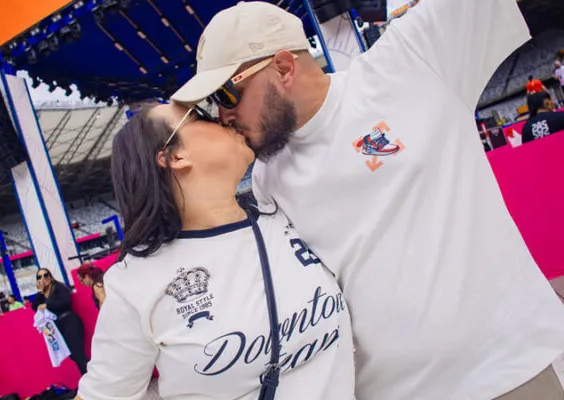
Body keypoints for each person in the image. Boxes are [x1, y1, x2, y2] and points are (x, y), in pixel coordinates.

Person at [171, 1, 564, 399]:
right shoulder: (266, 177)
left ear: (285, 68)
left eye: (226, 94)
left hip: (508, 370)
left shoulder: (410, 60)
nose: (223, 115)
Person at [75, 102, 354, 400]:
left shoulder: (284, 210)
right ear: (175, 156)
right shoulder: (135, 282)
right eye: (200, 116)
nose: (223, 118)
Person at [31, 268, 88, 375]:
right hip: (57, 328)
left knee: (78, 353)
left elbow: (65, 303)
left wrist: (47, 305)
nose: (43, 278)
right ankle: (88, 376)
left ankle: (91, 376)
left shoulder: (59, 287)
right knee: (72, 355)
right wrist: (40, 291)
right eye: (39, 277)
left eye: (46, 275)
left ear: (50, 276)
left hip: (69, 321)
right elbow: (34, 307)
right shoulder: (42, 294)